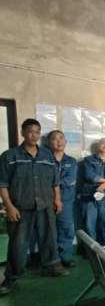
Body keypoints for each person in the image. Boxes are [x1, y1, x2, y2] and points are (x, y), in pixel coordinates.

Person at [0, 119, 69, 295]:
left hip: (45, 205)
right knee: (18, 243)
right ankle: (12, 276)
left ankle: (52, 265)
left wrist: (58, 200)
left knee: (49, 238)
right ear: (23, 132)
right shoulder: (9, 156)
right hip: (20, 207)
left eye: (37, 131)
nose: (34, 135)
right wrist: (9, 206)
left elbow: (55, 181)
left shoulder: (47, 156)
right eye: (30, 131)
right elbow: (2, 184)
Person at [81, 138, 105, 246]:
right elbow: (89, 175)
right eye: (103, 143)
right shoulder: (88, 160)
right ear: (98, 146)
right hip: (89, 194)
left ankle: (104, 246)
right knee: (89, 223)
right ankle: (91, 248)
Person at [49, 130, 78, 267]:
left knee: (66, 228)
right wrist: (62, 182)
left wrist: (55, 183)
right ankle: (52, 259)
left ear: (65, 141)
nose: (59, 141)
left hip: (66, 199)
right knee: (49, 230)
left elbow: (71, 178)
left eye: (61, 138)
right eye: (55, 138)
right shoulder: (45, 160)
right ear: (50, 142)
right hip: (48, 200)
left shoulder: (71, 161)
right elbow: (44, 180)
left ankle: (65, 257)